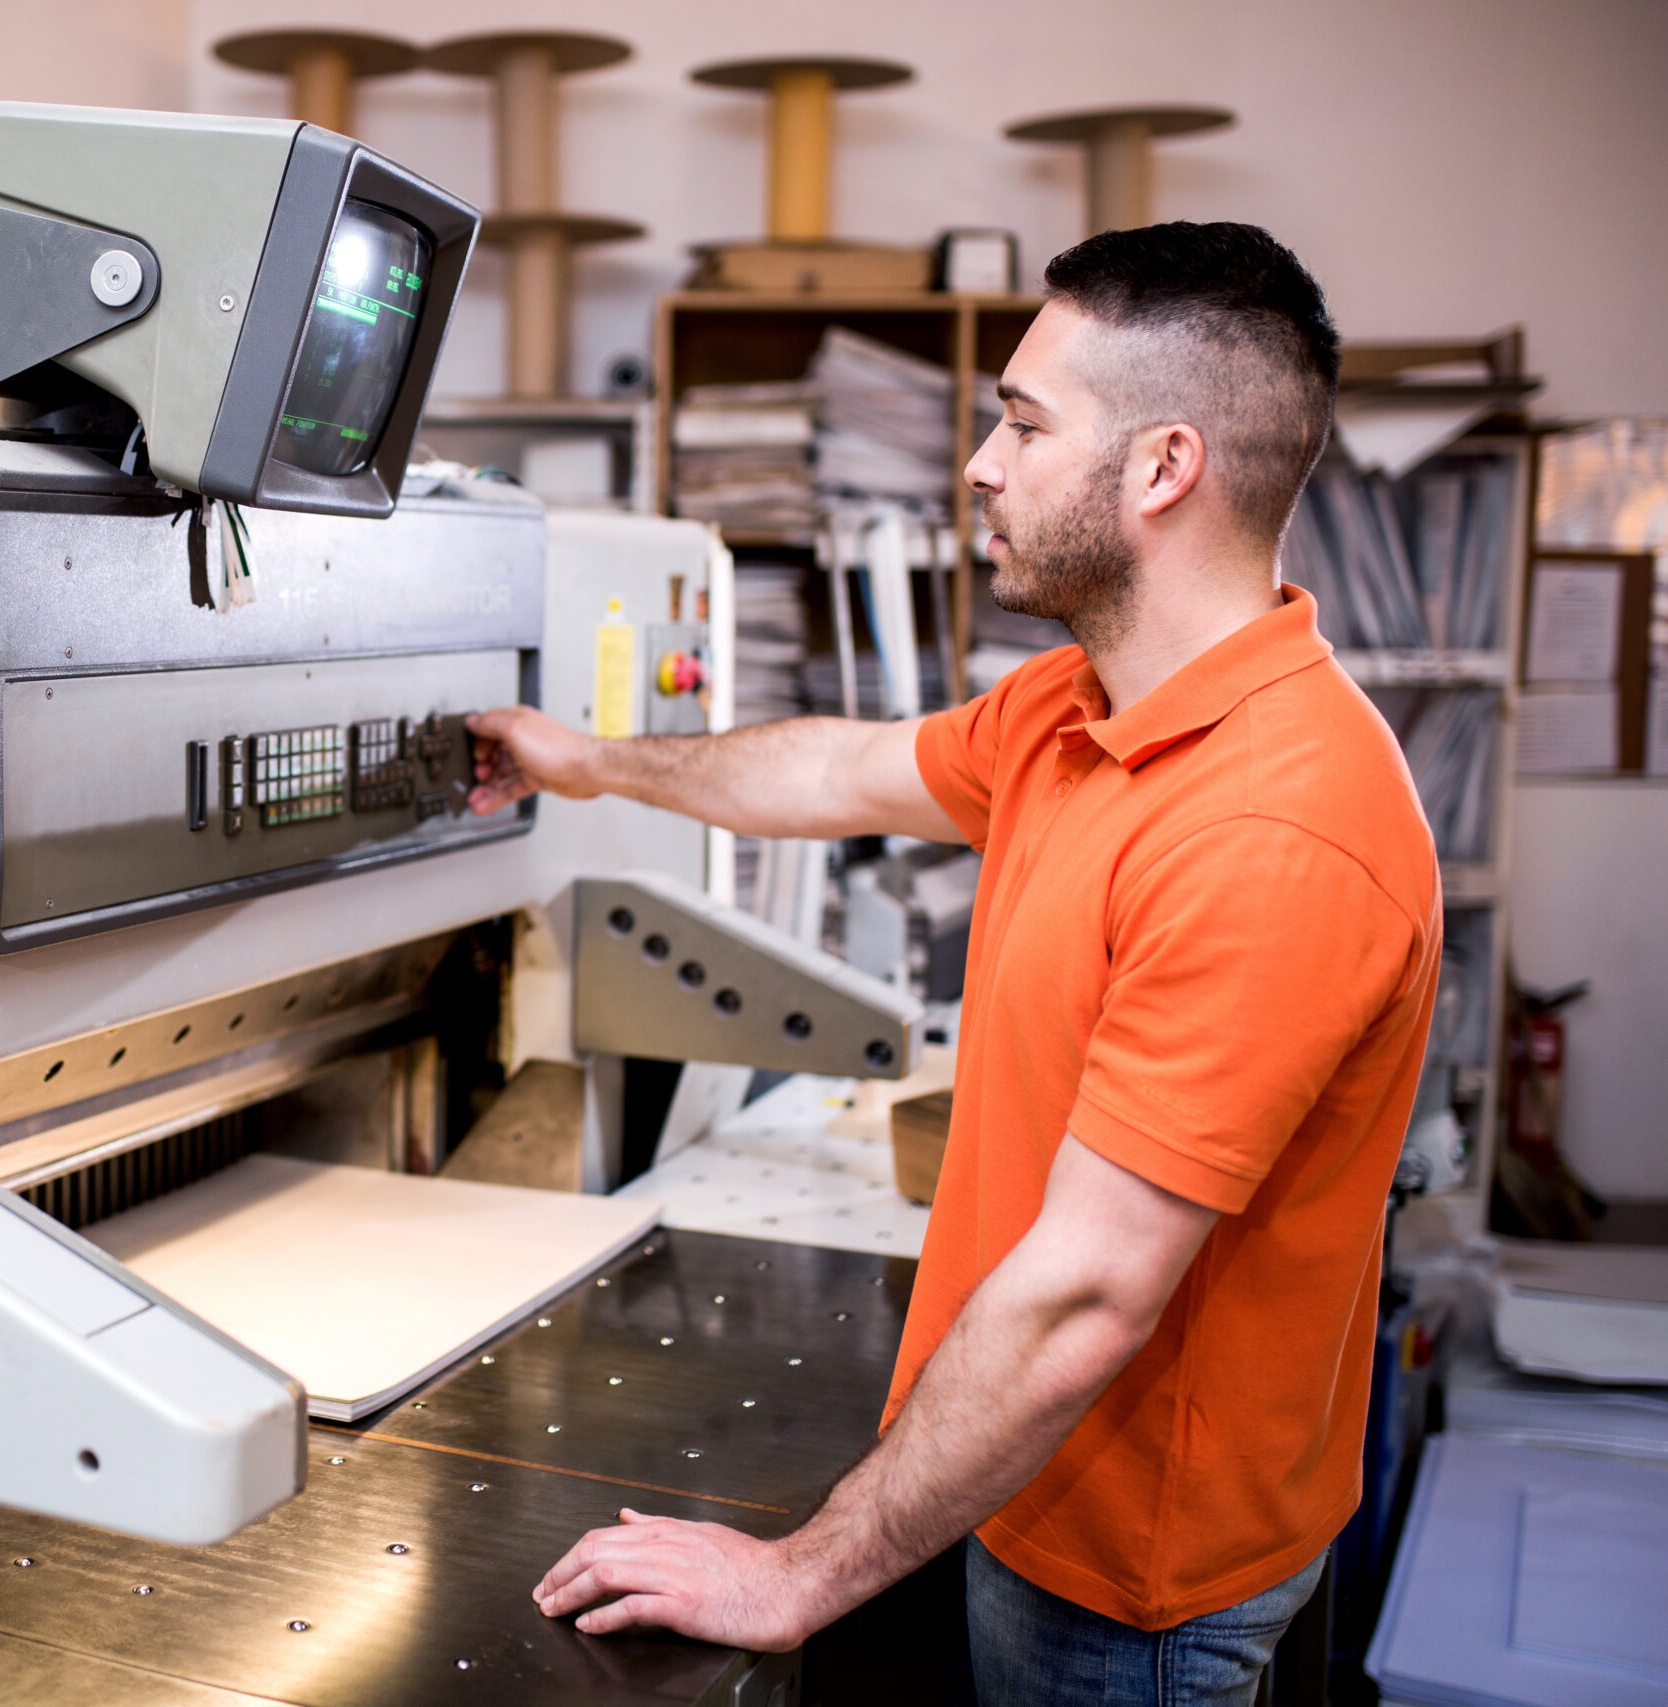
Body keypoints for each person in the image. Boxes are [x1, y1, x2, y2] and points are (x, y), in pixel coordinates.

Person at [465, 223, 1442, 1707]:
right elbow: (837, 770)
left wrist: (797, 1572)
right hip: (1025, 1498)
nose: (981, 463)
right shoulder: (1082, 708)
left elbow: (1086, 1299)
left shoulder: (1275, 829)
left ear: (1164, 468)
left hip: (1135, 1599)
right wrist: (582, 760)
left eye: (1024, 423)